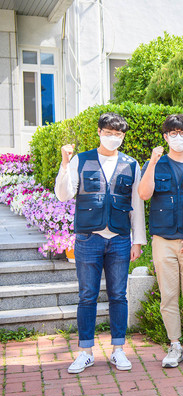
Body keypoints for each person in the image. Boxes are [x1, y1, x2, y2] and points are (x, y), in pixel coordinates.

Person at [56, 112, 146, 374]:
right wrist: (64, 162)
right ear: (98, 132)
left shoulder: (131, 164)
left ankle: (119, 350)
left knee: (119, 295)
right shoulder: (81, 160)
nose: (113, 138)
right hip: (88, 238)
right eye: (108, 132)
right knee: (87, 296)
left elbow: (136, 205)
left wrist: (137, 241)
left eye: (118, 134)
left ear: (123, 137)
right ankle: (85, 352)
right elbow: (63, 194)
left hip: (119, 238)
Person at [138, 114, 183, 368]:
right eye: (173, 133)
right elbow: (144, 194)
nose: (178, 138)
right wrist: (152, 161)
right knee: (168, 296)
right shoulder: (155, 165)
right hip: (163, 240)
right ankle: (174, 345)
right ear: (165, 136)